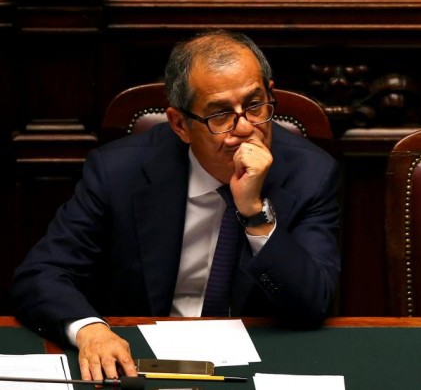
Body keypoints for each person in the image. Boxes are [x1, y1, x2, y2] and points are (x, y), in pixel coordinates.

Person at [11, 30, 341, 381]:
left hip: (255, 364)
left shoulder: (311, 174)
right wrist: (91, 330)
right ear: (180, 124)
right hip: (138, 360)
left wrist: (254, 211)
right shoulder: (119, 172)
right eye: (219, 115)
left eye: (255, 105)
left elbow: (312, 304)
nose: (244, 127)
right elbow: (41, 275)